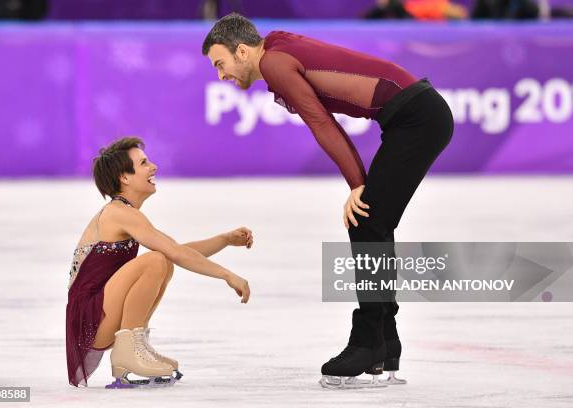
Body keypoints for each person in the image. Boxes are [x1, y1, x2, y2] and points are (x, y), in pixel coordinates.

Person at [202, 13, 453, 389]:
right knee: (372, 222)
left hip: (418, 118)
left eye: (220, 64)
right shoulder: (274, 45)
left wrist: (356, 184)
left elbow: (322, 122)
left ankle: (371, 341)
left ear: (242, 51)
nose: (221, 75)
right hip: (417, 114)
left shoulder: (272, 61)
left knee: (366, 219)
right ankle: (385, 341)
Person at [66, 136, 253, 388]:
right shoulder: (118, 213)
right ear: (125, 177)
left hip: (98, 314)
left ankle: (134, 345)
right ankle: (128, 350)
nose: (153, 167)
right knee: (156, 260)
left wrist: (224, 240)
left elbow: (175, 251)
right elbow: (172, 252)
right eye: (144, 163)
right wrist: (226, 275)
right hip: (89, 317)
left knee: (162, 260)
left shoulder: (128, 214)